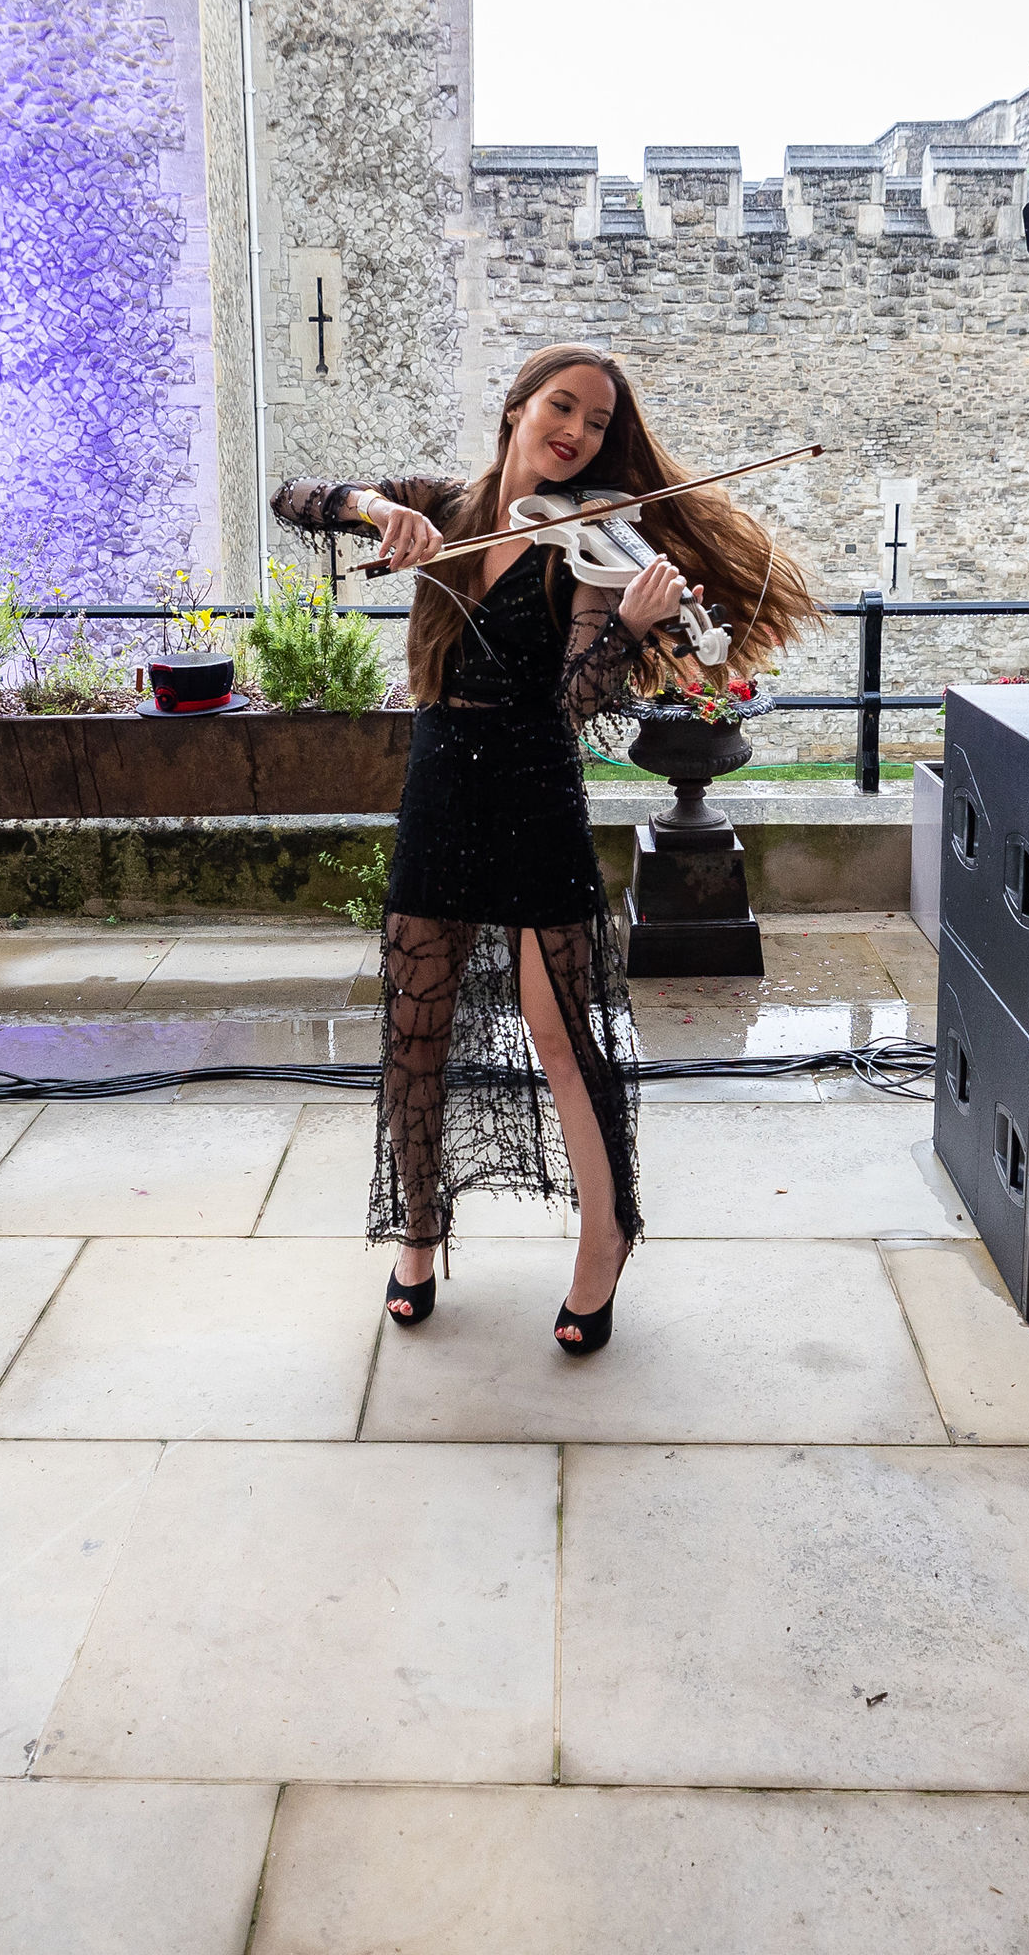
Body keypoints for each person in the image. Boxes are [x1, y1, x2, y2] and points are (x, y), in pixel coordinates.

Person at [275, 345, 818, 1350]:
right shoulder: (447, 503)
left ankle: (602, 1244)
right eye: (562, 406)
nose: (577, 430)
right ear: (520, 408)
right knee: (415, 1034)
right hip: (440, 782)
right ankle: (419, 1237)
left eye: (598, 421)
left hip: (534, 795)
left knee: (562, 1036)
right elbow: (291, 495)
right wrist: (369, 507)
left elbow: (563, 707)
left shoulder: (595, 555)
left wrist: (629, 629)